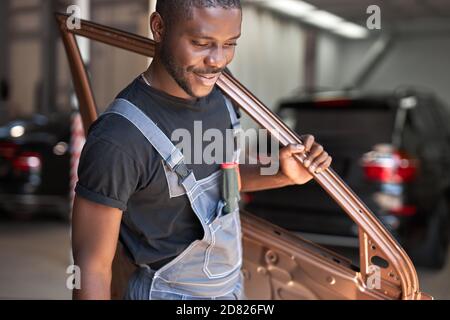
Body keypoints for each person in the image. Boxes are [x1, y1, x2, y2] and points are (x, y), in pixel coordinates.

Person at [71, 0, 332, 300]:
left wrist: (283, 174)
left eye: (230, 44)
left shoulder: (223, 95)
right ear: (158, 27)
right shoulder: (119, 139)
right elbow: (92, 267)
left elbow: (222, 183)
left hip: (230, 289)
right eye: (201, 43)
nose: (217, 61)